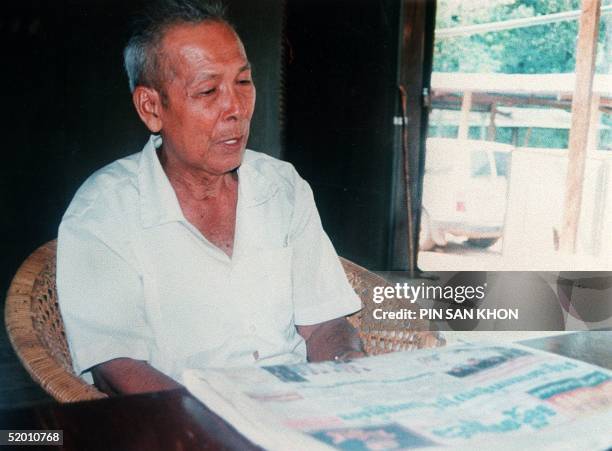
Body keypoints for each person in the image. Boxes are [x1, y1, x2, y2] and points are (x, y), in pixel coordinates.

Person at [57, 0, 364, 396]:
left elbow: (324, 323)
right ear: (151, 107)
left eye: (243, 82)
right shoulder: (104, 210)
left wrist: (349, 368)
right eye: (207, 90)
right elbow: (116, 366)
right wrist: (213, 424)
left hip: (296, 407)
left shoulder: (281, 187)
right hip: (182, 419)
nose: (235, 109)